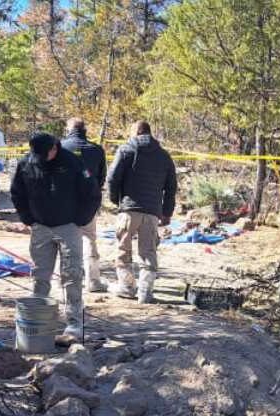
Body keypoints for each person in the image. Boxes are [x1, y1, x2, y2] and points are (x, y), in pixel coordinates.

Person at [10, 132, 101, 342]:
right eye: (37, 154)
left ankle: (74, 324)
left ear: (54, 148)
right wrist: (27, 218)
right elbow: (17, 192)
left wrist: (80, 220)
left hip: (69, 226)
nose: (41, 158)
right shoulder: (27, 163)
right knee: (40, 276)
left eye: (45, 154)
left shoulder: (73, 163)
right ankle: (39, 323)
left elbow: (92, 193)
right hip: (40, 226)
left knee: (72, 275)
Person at [105, 120, 177, 303]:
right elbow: (171, 187)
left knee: (123, 250)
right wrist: (166, 213)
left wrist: (116, 200)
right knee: (148, 252)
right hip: (152, 212)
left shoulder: (125, 150)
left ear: (135, 132)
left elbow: (112, 178)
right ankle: (145, 292)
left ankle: (127, 287)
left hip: (129, 209)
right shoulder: (164, 156)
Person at [60, 118, 108, 293]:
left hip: (64, 202)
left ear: (69, 129)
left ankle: (68, 279)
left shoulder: (60, 148)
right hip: (88, 201)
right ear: (85, 130)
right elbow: (102, 177)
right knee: (89, 239)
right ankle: (93, 280)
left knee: (66, 241)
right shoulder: (96, 150)